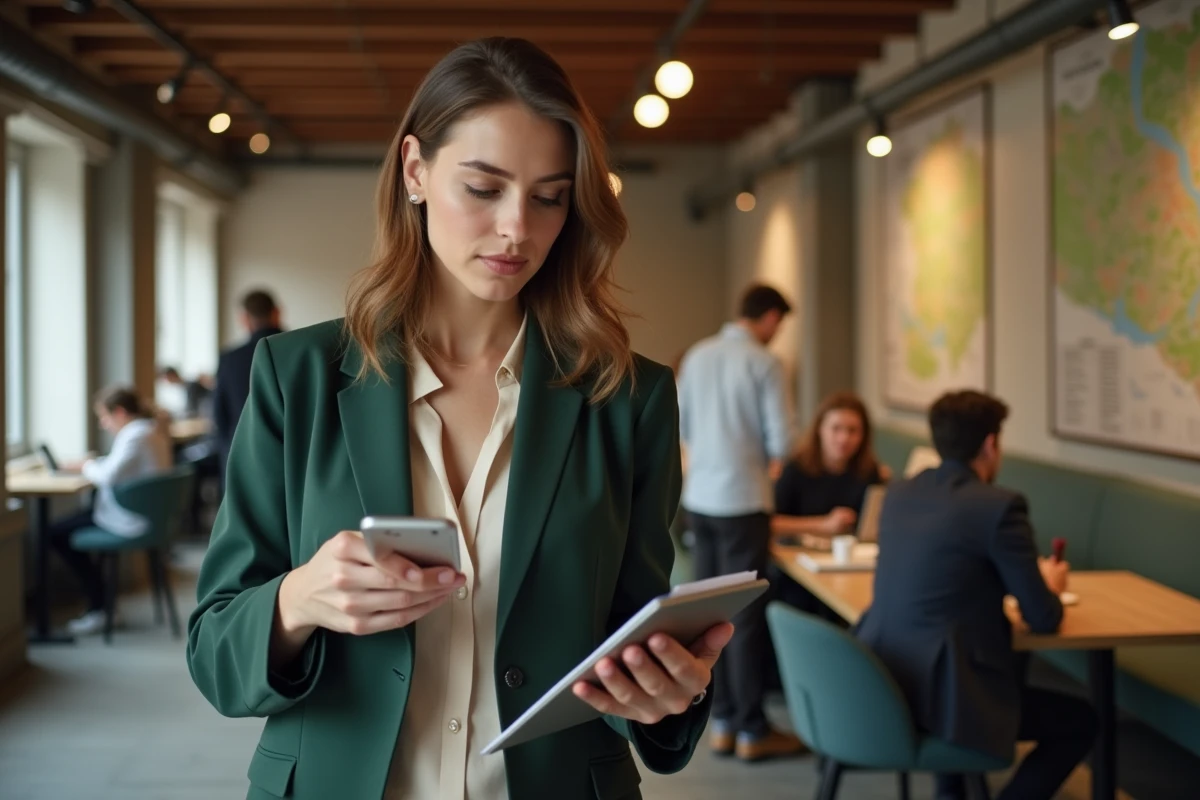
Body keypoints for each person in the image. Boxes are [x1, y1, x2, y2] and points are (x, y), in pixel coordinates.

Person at [186, 38, 730, 800]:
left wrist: (670, 693)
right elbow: (214, 651)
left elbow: (636, 640)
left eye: (548, 196)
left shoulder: (626, 397)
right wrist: (299, 598)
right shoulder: (296, 378)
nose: (517, 229)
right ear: (415, 171)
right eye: (484, 187)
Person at [854, 390, 1097, 800]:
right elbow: (1043, 617)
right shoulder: (999, 506)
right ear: (990, 444)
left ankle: (951, 788)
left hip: (887, 683)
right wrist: (1050, 585)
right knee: (1082, 721)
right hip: (953, 698)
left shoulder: (899, 494)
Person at [676, 283, 802, 762]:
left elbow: (683, 425)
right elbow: (784, 442)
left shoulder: (700, 355)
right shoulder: (765, 362)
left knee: (707, 616)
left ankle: (722, 720)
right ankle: (751, 729)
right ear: (769, 318)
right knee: (743, 619)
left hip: (700, 499)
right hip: (744, 502)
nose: (778, 334)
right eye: (780, 325)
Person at [49, 386, 172, 635]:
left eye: (104, 417)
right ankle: (102, 603)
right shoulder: (150, 432)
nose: (103, 424)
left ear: (120, 412)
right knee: (66, 526)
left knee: (54, 533)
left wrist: (86, 465)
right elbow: (118, 467)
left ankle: (100, 607)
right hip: (151, 517)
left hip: (131, 520)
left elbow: (108, 475)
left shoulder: (135, 436)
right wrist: (90, 464)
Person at [769, 391, 888, 614]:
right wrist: (822, 524)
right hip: (799, 570)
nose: (844, 438)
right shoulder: (795, 469)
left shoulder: (870, 472)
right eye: (836, 429)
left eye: (853, 431)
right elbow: (770, 523)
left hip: (850, 566)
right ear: (820, 430)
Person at [211, 289, 283, 481]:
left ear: (244, 319)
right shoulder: (302, 351)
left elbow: (220, 415)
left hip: (242, 456)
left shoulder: (230, 359)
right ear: (277, 313)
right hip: (293, 458)